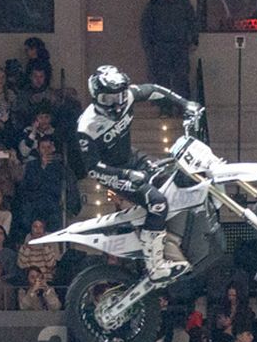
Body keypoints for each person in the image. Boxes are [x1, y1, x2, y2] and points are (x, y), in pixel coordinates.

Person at [75, 65, 202, 280]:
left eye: (119, 96)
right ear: (96, 98)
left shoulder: (129, 97)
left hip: (131, 156)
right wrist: (126, 175)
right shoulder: (86, 127)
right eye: (108, 99)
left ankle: (166, 241)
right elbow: (93, 169)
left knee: (171, 178)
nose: (116, 104)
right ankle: (155, 266)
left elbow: (154, 89)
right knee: (157, 202)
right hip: (112, 172)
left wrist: (184, 103)